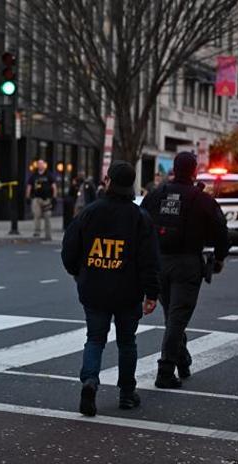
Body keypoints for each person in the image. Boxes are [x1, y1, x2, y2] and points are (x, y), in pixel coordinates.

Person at [61, 161, 160, 417]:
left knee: (95, 339)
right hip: (128, 291)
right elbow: (149, 260)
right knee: (127, 342)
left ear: (108, 181)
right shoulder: (140, 218)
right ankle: (127, 393)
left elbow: (69, 248)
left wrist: (78, 273)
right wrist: (152, 293)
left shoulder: (90, 212)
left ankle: (90, 381)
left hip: (94, 287)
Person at [141, 152, 229, 389]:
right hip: (188, 263)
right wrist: (220, 257)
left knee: (172, 317)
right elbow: (221, 230)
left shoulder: (156, 195)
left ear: (174, 169)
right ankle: (165, 371)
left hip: (158, 262)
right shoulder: (202, 199)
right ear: (194, 172)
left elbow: (141, 224)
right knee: (177, 318)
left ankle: (182, 360)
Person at [25, 160, 57, 240]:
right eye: (39, 164)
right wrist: (27, 196)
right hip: (36, 198)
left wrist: (54, 197)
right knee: (36, 215)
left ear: (44, 165)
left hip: (47, 199)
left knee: (47, 216)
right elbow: (29, 186)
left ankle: (48, 235)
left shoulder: (49, 175)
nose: (40, 165)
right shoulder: (34, 175)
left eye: (41, 164)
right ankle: (37, 232)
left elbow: (54, 187)